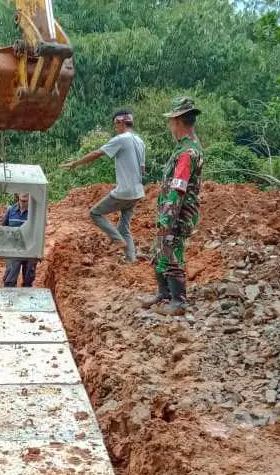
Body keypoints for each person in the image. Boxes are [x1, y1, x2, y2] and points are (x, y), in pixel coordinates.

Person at [144, 96, 204, 316]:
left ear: (178, 121)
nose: (170, 126)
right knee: (159, 249)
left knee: (170, 250)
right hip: (174, 211)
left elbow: (178, 188)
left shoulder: (187, 153)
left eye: (171, 121)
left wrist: (167, 218)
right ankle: (164, 293)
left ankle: (178, 301)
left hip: (178, 213)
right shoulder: (186, 147)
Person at [60, 109, 146, 262]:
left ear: (120, 122)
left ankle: (117, 240)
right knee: (123, 227)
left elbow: (97, 153)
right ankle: (131, 260)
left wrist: (75, 163)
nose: (115, 127)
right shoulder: (140, 142)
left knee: (94, 213)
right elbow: (143, 168)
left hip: (124, 191)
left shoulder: (122, 138)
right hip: (137, 192)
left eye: (116, 124)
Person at [1, 193, 38, 288]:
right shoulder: (10, 210)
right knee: (10, 280)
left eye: (27, 191)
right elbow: (3, 228)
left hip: (29, 249)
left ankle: (25, 300)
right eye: (22, 191)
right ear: (18, 194)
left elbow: (39, 231)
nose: (24, 193)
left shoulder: (35, 212)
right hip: (14, 249)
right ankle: (8, 300)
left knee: (28, 280)